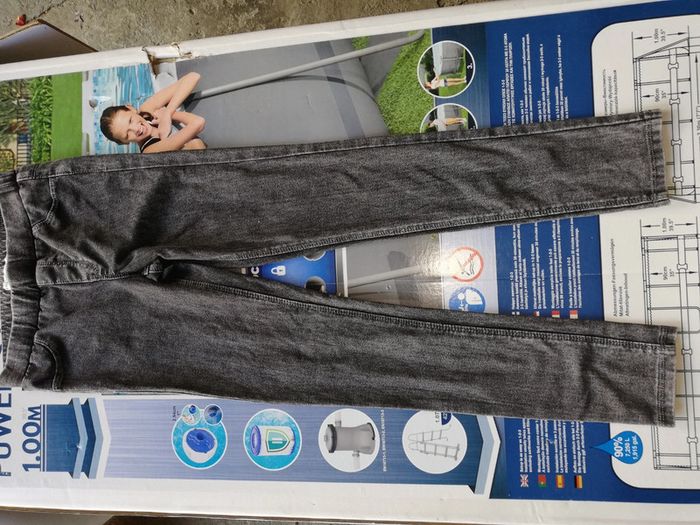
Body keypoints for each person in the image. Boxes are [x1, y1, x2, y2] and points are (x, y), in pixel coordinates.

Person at [100, 72, 206, 153]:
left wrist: (168, 113)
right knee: (194, 142)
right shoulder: (150, 151)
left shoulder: (146, 111)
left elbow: (193, 76)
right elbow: (199, 123)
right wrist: (170, 116)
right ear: (124, 143)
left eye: (130, 120)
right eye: (127, 135)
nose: (135, 129)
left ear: (131, 108)